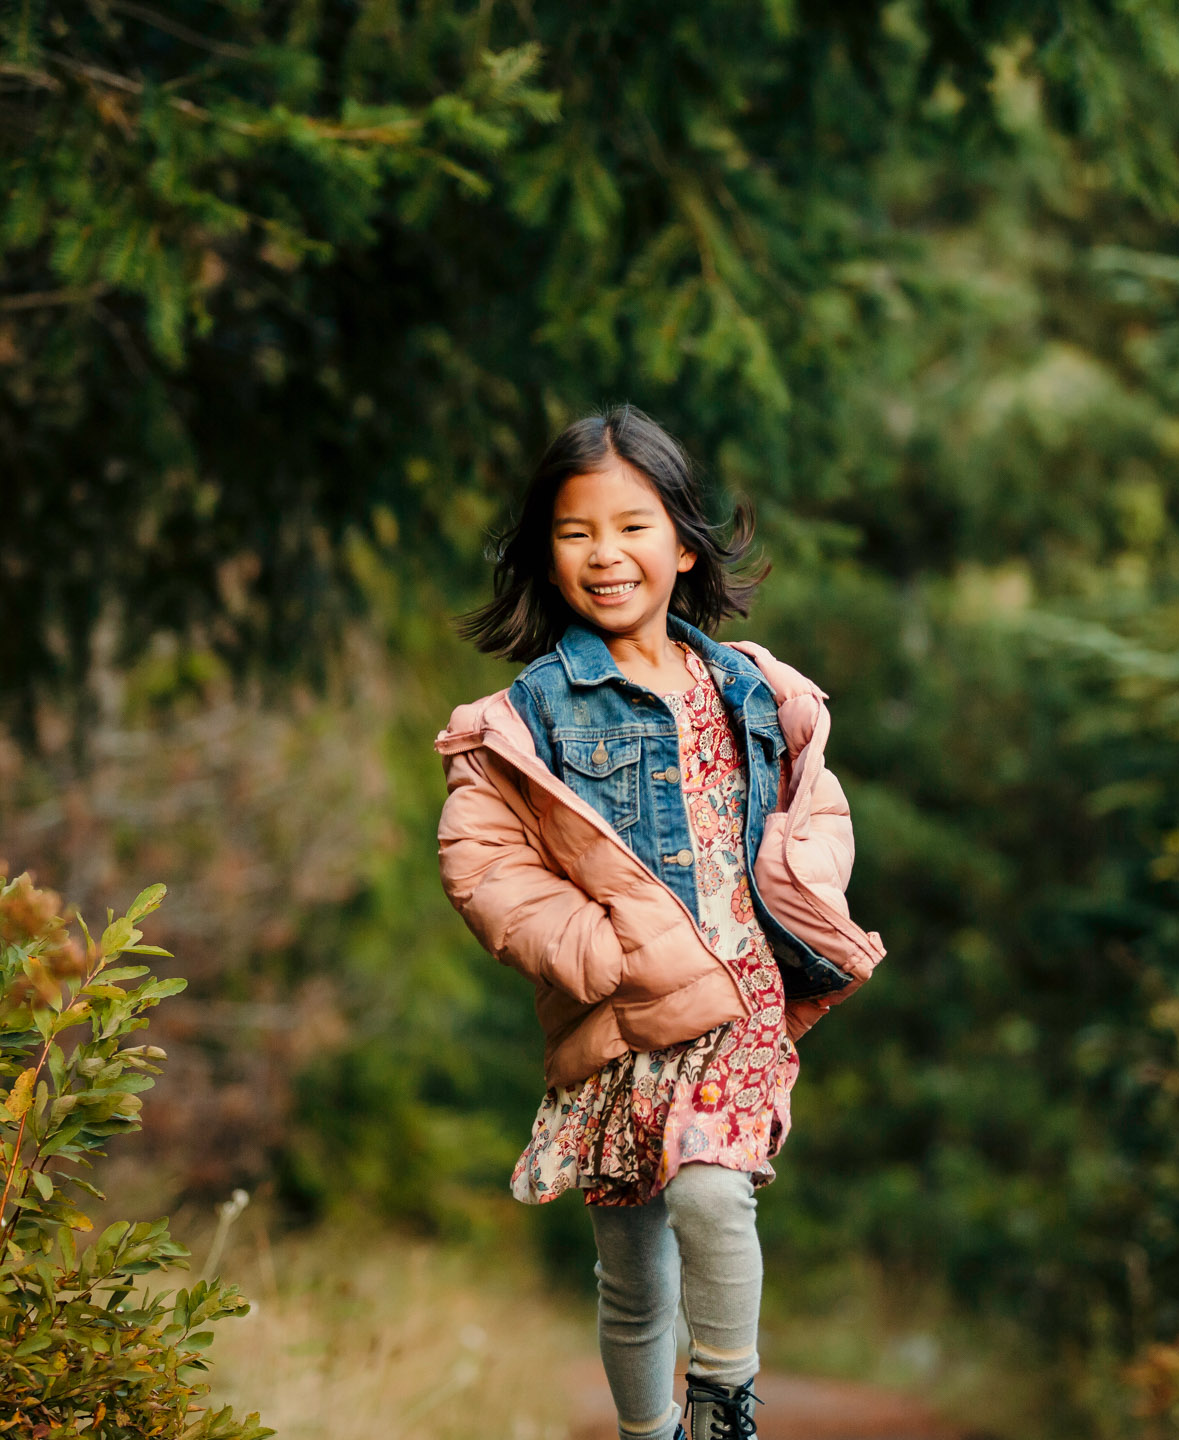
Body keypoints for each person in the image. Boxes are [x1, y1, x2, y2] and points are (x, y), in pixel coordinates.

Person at [434, 405, 883, 1440]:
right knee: (634, 1274)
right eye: (576, 531)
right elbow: (483, 860)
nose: (606, 553)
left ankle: (725, 1407)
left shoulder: (748, 686)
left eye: (632, 527)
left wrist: (797, 881)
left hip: (739, 1001)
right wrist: (596, 953)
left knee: (716, 1198)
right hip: (624, 1017)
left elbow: (817, 801)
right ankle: (650, 1436)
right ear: (547, 558)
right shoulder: (532, 713)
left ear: (684, 544)